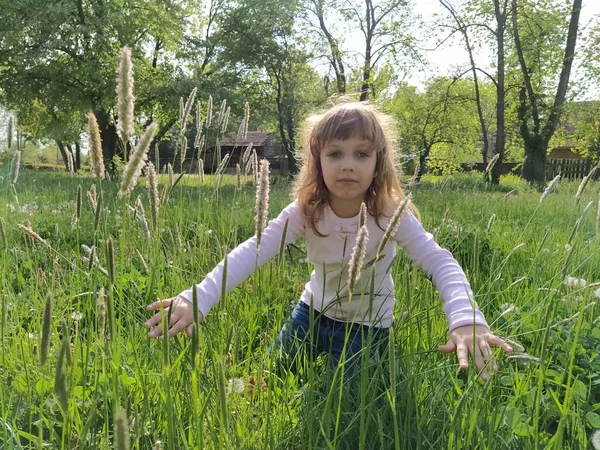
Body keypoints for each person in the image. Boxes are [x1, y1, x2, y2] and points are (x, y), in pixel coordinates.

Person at [144, 100, 512, 380]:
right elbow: (255, 250)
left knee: (350, 398)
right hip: (310, 314)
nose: (348, 164)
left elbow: (439, 261)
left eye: (361, 154)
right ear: (316, 161)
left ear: (378, 161)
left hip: (367, 329)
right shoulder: (307, 210)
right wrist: (200, 297)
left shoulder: (390, 213)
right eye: (335, 153)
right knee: (273, 377)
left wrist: (466, 319)